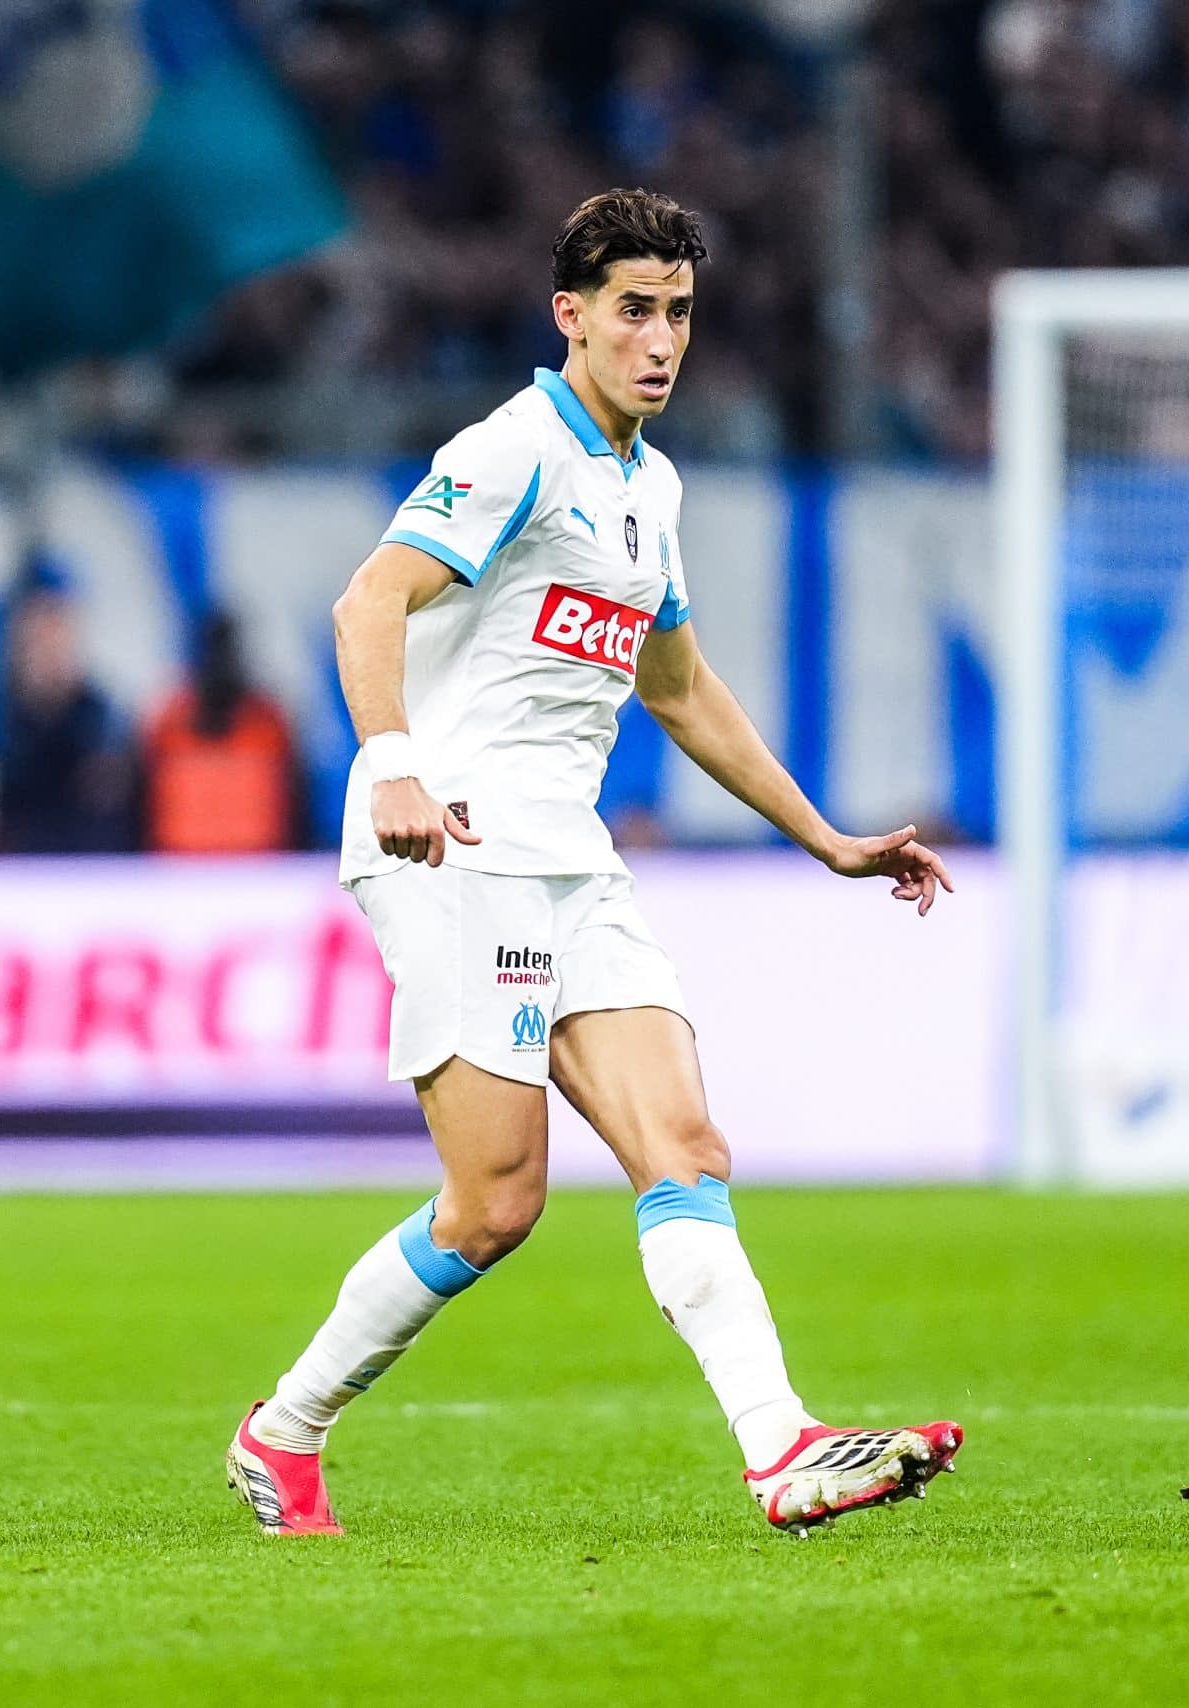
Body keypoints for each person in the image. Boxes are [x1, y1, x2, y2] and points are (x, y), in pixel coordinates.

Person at [228, 189, 961, 1537]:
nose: (661, 338)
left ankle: (782, 1448)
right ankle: (283, 1432)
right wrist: (392, 761)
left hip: (573, 860)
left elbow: (680, 693)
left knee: (685, 1143)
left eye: (679, 312)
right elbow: (366, 598)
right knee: (496, 1203)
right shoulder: (515, 451)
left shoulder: (648, 485)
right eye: (634, 310)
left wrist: (830, 842)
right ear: (571, 317)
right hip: (451, 845)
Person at [0, 557, 140, 855]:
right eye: (39, 628)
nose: (49, 640)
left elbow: (107, 802)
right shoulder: (6, 718)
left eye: (57, 625)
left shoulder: (102, 719)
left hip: (91, 876)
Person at [141, 610, 301, 854]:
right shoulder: (170, 722)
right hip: (178, 868)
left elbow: (294, 802)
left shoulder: (266, 722)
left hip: (261, 868)